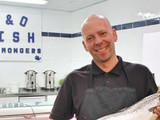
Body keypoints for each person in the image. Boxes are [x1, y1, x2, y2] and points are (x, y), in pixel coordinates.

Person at [49, 15, 160, 120]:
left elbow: (153, 113)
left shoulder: (141, 73)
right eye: (90, 38)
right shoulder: (73, 79)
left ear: (114, 34)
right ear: (85, 45)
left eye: (102, 33)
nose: (98, 41)